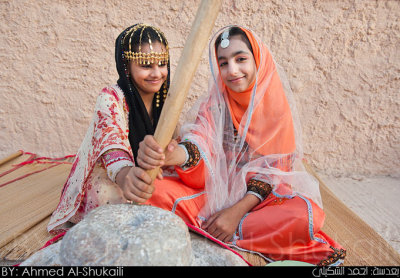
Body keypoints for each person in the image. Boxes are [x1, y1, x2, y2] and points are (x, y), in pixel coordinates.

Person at [137, 25, 346, 266]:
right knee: (155, 189)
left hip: (257, 202)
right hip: (212, 192)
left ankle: (215, 230)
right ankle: (221, 230)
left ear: (258, 59)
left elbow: (273, 174)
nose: (232, 70)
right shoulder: (216, 102)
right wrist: (170, 157)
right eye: (223, 63)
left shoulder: (275, 107)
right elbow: (200, 141)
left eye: (241, 59)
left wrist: (234, 215)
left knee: (306, 216)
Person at [47, 23, 172, 232]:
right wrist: (125, 176)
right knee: (106, 195)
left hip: (147, 173)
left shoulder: (166, 97)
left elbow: (171, 141)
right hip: (115, 176)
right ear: (126, 66)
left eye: (162, 64)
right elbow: (111, 142)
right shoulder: (111, 97)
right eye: (146, 65)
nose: (157, 73)